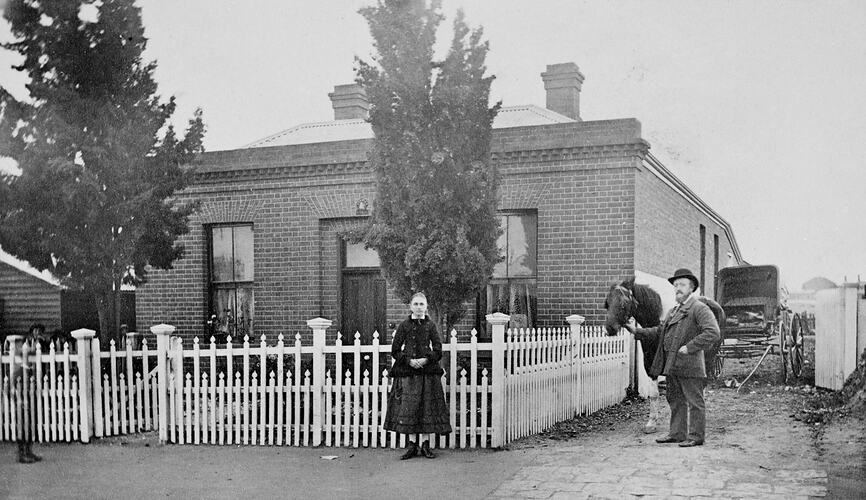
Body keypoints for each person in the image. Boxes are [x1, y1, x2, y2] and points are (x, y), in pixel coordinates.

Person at [624, 268, 720, 447]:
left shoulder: (699, 308)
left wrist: (690, 347)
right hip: (673, 364)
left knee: (694, 401)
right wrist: (636, 331)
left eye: (682, 285)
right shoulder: (674, 311)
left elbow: (713, 332)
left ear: (692, 288)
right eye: (676, 285)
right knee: (675, 400)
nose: (678, 288)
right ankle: (677, 433)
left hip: (690, 363)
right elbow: (660, 331)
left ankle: (696, 437)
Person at [383, 292, 452, 459]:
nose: (419, 307)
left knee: (426, 407)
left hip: (427, 373)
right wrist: (409, 361)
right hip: (408, 373)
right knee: (410, 408)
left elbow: (438, 349)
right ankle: (413, 446)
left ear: (426, 307)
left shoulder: (431, 326)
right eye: (416, 304)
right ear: (411, 307)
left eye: (422, 304)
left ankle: (426, 445)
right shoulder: (404, 326)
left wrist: (426, 360)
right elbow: (395, 350)